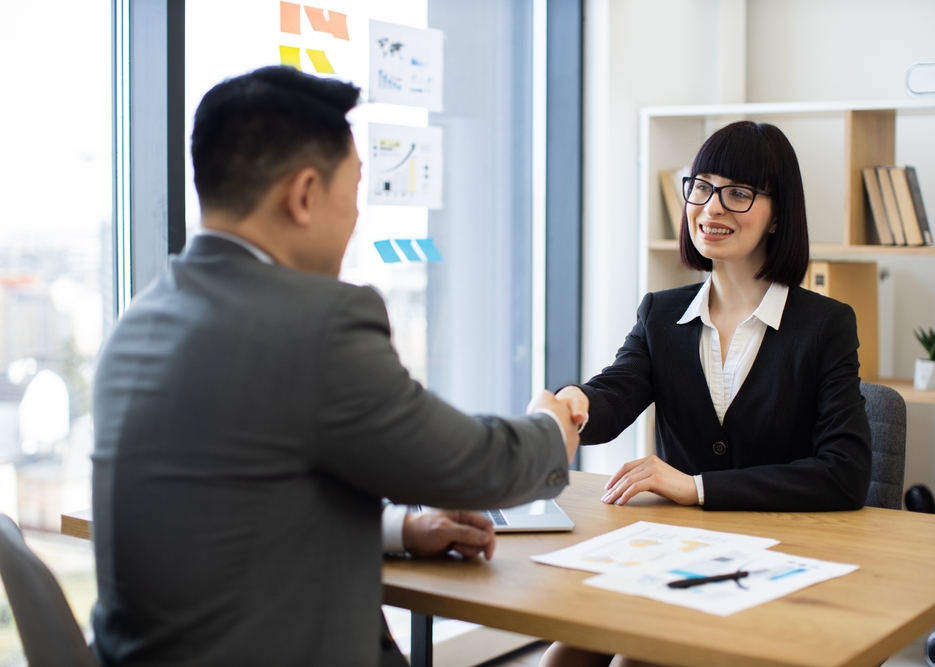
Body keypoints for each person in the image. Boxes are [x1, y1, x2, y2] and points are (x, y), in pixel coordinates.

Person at [90, 66, 580, 667]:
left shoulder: (138, 322)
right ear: (302, 196)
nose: (354, 219)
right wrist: (551, 426)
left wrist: (400, 531)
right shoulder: (315, 322)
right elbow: (474, 465)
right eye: (353, 194)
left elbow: (222, 513)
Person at [540, 121, 872, 667]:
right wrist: (571, 401)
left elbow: (844, 472)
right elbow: (614, 394)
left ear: (779, 215)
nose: (711, 208)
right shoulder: (661, 313)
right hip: (678, 554)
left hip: (778, 560)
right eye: (701, 187)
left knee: (633, 660)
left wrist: (694, 486)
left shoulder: (825, 324)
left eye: (738, 193)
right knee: (567, 652)